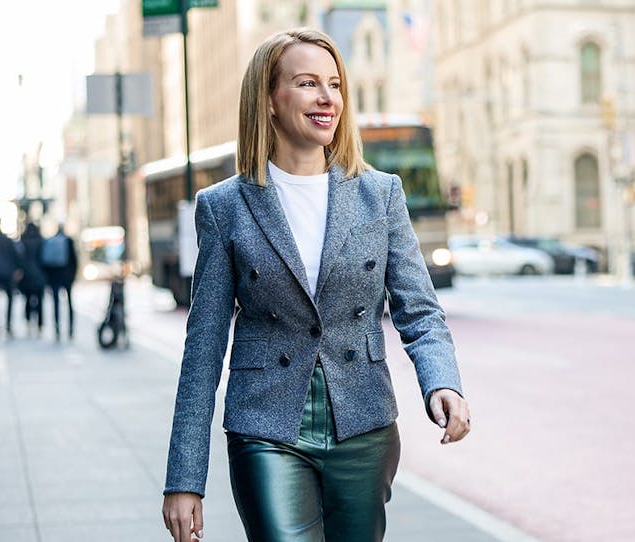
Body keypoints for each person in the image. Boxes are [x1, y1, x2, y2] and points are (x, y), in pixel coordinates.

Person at [162, 28, 471, 542]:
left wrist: (443, 383)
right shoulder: (223, 206)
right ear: (269, 99)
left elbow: (419, 310)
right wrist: (184, 478)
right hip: (266, 427)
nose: (327, 97)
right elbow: (203, 348)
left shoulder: (380, 194)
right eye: (308, 83)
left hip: (364, 425)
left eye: (335, 84)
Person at [40, 223, 78, 340]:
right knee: (69, 303)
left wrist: (48, 279)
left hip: (55, 278)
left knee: (56, 303)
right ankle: (70, 329)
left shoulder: (50, 242)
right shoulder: (68, 241)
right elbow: (74, 261)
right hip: (67, 277)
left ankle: (57, 328)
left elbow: (45, 263)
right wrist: (73, 276)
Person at [17, 221, 47, 337]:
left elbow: (20, 259)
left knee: (28, 300)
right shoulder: (41, 241)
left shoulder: (23, 241)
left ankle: (29, 322)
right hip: (39, 275)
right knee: (40, 301)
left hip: (27, 276)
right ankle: (40, 325)